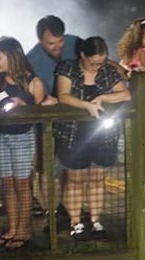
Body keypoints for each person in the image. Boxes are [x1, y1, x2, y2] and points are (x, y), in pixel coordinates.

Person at [54, 37, 130, 240]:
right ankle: (76, 223)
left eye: (101, 61)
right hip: (73, 134)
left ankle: (96, 221)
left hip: (102, 135)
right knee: (74, 180)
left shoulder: (107, 71)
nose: (97, 66)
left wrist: (104, 97)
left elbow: (125, 94)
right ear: (82, 56)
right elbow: (63, 95)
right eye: (93, 62)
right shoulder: (68, 68)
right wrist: (87, 105)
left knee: (97, 178)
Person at [0, 37, 53, 250]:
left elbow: (40, 111)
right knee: (8, 184)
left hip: (22, 137)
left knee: (23, 185)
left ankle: (24, 230)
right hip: (0, 134)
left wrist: (25, 105)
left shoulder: (33, 82)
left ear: (12, 57)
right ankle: (12, 229)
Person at [26, 15, 81, 225]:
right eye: (51, 44)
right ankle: (52, 212)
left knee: (70, 166)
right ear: (40, 40)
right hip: (46, 124)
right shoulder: (31, 59)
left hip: (74, 120)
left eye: (60, 42)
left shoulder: (75, 43)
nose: (57, 48)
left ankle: (69, 207)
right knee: (46, 168)